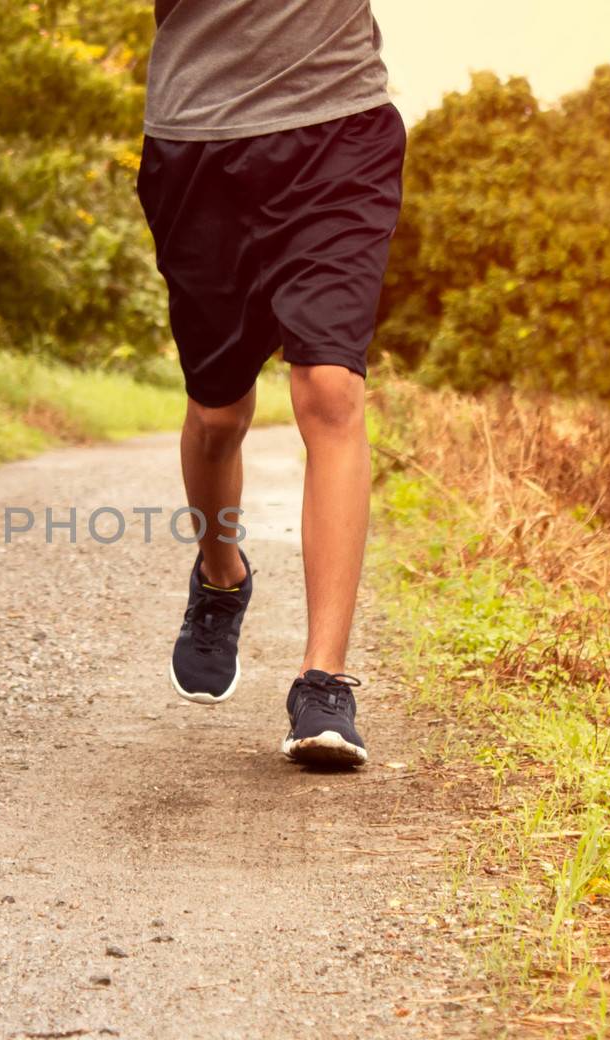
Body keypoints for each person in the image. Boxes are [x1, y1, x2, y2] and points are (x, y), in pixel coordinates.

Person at [135, 0, 405, 766]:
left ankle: (323, 682)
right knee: (217, 416)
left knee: (330, 389)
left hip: (338, 129)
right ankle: (222, 576)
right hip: (197, 139)